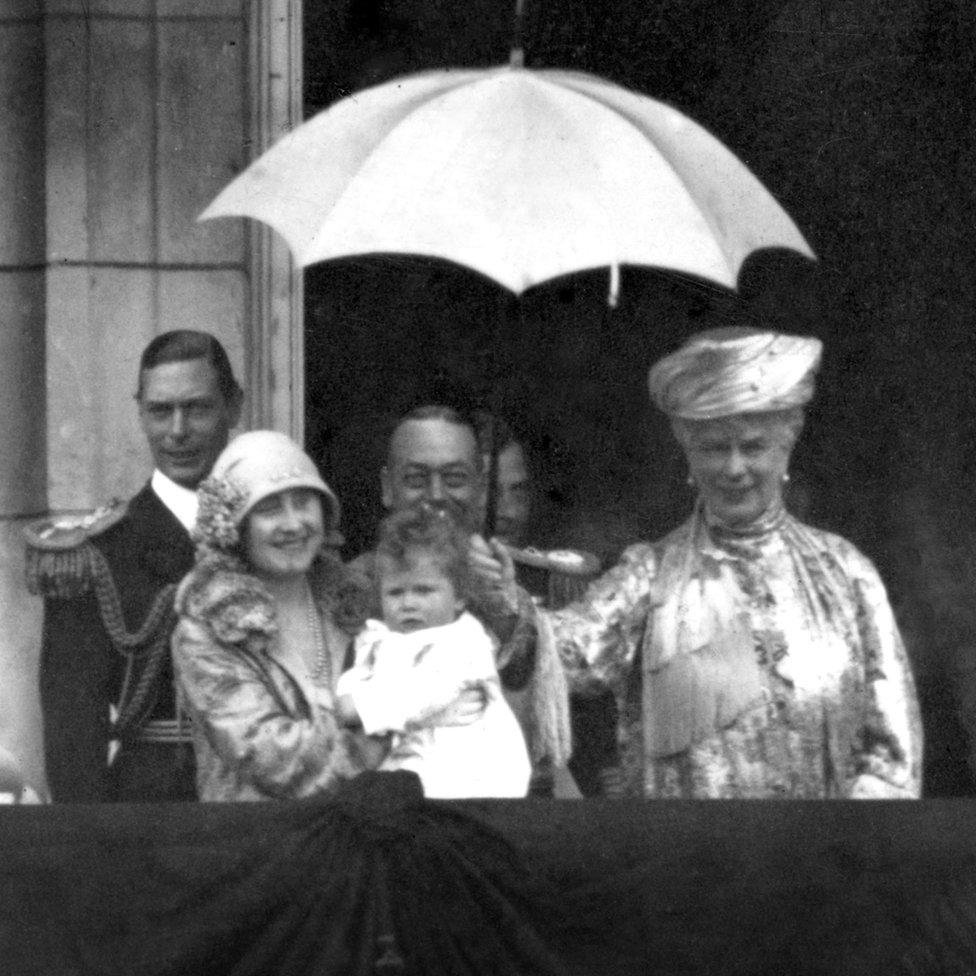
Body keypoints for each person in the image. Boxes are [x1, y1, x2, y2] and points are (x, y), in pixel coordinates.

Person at [542, 327, 923, 799]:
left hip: (824, 863)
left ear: (787, 446)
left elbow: (891, 755)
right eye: (714, 448)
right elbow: (565, 660)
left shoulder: (846, 573)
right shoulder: (650, 575)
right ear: (687, 451)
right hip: (691, 864)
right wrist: (499, 605)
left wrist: (849, 853)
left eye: (753, 446)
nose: (734, 468)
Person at [29, 330, 242, 802]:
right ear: (140, 414)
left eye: (198, 408)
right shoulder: (96, 556)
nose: (178, 431)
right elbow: (72, 742)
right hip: (152, 817)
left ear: (235, 407)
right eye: (160, 411)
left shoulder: (272, 534)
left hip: (269, 807)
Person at [352, 405, 573, 782]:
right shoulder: (352, 585)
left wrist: (504, 607)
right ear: (388, 487)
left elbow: (539, 712)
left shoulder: (512, 584)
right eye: (417, 479)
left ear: (480, 486)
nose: (436, 495)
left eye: (454, 478)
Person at [336, 506, 532, 799]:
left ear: (460, 597)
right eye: (396, 592)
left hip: (471, 773)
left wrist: (360, 709)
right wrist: (346, 697)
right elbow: (357, 679)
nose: (408, 603)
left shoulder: (465, 641)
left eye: (424, 590)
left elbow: (429, 693)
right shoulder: (379, 638)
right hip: (411, 766)